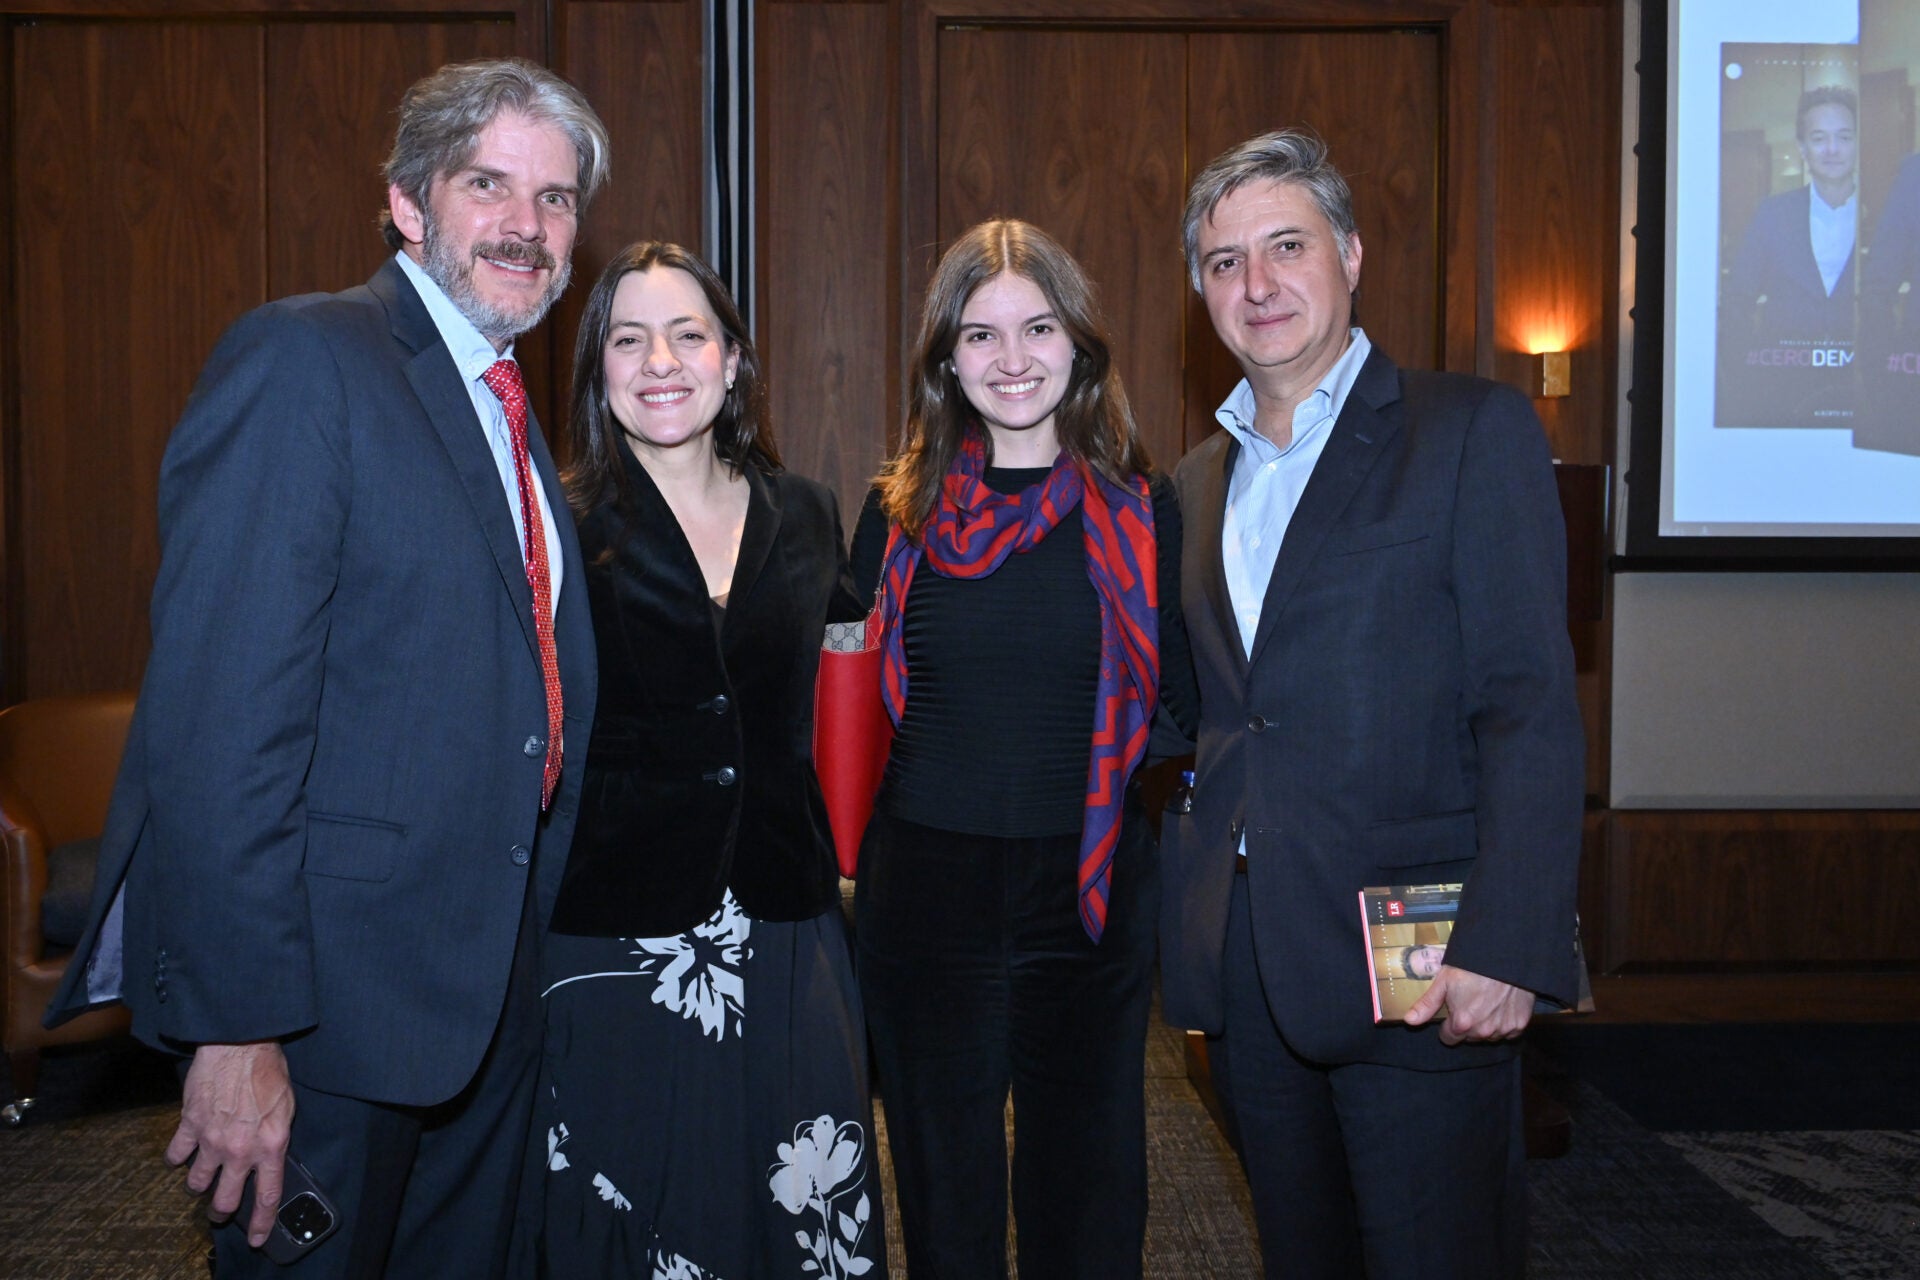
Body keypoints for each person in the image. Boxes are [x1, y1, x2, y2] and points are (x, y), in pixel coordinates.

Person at [43, 59, 608, 1279]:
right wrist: (237, 1026)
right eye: (489, 184)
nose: (528, 224)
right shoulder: (307, 361)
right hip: (324, 1018)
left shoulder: (506, 411)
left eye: (556, 199)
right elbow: (220, 717)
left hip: (479, 996)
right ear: (409, 203)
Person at [1158, 129, 1584, 1278]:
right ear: (1202, 290)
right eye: (1223, 260)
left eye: (1286, 246)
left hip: (1427, 959)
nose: (1257, 283)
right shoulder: (1196, 484)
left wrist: (1513, 939)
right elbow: (1193, 709)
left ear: (1349, 253)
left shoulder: (1469, 432)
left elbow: (1528, 702)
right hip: (1255, 964)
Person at [527, 240, 884, 1278]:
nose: (660, 362)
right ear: (598, 368)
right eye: (628, 340)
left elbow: (866, 685)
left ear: (733, 359)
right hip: (615, 932)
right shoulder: (555, 523)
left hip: (786, 922)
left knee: (797, 1206)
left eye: (689, 334)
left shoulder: (809, 512)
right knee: (632, 1209)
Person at [848, 218, 1197, 1280]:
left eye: (1037, 327)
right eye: (980, 334)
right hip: (926, 893)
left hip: (1085, 894)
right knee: (944, 1197)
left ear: (1079, 344)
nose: (1011, 359)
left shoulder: (1144, 508)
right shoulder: (894, 512)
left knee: (1088, 1200)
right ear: (944, 357)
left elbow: (1178, 702)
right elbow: (847, 708)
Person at [1717, 85, 1860, 427]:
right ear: (1802, 148)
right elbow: (1738, 300)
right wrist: (1746, 379)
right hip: (1778, 394)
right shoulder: (1772, 214)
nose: (1832, 150)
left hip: (1862, 393)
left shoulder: (1887, 214)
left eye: (1843, 137)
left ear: (1857, 144)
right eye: (1819, 138)